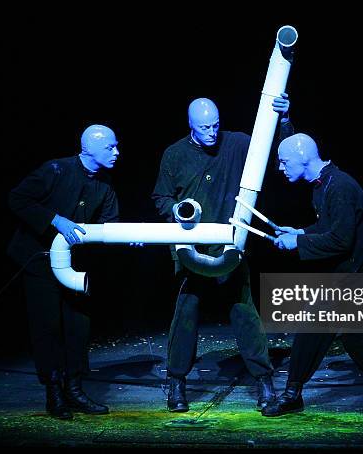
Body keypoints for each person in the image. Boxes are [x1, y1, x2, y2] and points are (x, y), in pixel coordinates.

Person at [261, 133, 363, 427]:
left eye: (284, 162)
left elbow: (341, 240)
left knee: (356, 339)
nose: (280, 168)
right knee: (312, 327)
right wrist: (300, 233)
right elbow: (328, 227)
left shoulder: (340, 186)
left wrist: (299, 245)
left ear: (303, 158)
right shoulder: (323, 185)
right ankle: (293, 393)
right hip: (349, 271)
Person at [151, 95, 293, 412]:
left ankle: (264, 383)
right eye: (204, 128)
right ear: (190, 126)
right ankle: (176, 383)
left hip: (231, 249)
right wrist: (175, 209)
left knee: (245, 314)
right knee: (185, 315)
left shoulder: (237, 144)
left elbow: (274, 154)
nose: (212, 132)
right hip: (193, 252)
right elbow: (160, 197)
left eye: (216, 125)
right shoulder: (174, 155)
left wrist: (283, 121)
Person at [7, 124, 120, 420]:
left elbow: (110, 221)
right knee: (47, 326)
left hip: (75, 265)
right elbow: (17, 198)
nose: (116, 153)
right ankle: (54, 392)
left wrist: (121, 234)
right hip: (40, 261)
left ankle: (74, 388)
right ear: (88, 148)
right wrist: (56, 220)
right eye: (110, 147)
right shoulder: (56, 170)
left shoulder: (105, 184)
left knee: (78, 326)